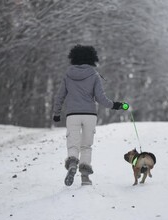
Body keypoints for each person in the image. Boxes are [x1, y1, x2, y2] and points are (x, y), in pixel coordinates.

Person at [53, 45, 125, 186]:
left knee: (73, 143)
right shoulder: (94, 75)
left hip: (72, 115)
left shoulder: (68, 75)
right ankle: (85, 177)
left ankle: (73, 161)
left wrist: (56, 113)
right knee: (86, 146)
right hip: (89, 115)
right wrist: (116, 105)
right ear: (92, 58)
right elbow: (101, 98)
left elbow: (60, 96)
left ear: (73, 57)